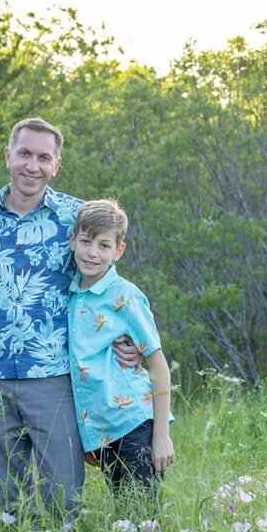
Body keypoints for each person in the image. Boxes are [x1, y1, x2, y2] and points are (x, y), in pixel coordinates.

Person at [0, 117, 140, 519]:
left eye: (43, 157)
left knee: (64, 490)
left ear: (56, 164)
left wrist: (130, 343)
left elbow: (105, 286)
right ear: (8, 156)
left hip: (55, 372)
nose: (32, 165)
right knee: (12, 493)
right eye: (24, 154)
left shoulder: (76, 218)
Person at [67, 199, 174, 497]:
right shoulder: (70, 293)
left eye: (103, 246)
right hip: (102, 431)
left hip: (133, 425)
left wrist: (161, 435)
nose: (92, 253)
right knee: (124, 514)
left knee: (142, 515)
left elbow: (159, 367)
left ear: (118, 251)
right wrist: (90, 438)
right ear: (73, 240)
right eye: (86, 241)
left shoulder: (125, 297)